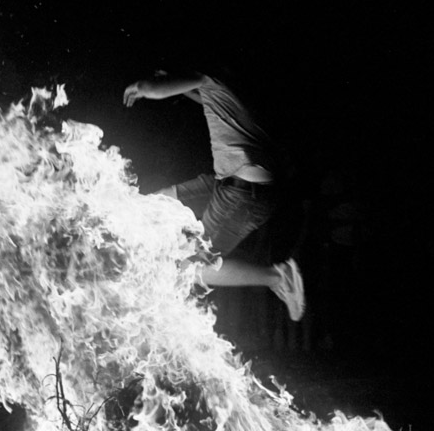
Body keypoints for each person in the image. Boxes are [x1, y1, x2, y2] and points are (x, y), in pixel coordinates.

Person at [123, 67, 305, 321]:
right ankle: (145, 247)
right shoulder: (226, 89)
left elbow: (170, 87)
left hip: (241, 195)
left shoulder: (209, 78)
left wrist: (144, 87)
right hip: (231, 183)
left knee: (194, 268)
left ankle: (278, 277)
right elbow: (202, 96)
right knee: (161, 200)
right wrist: (178, 86)